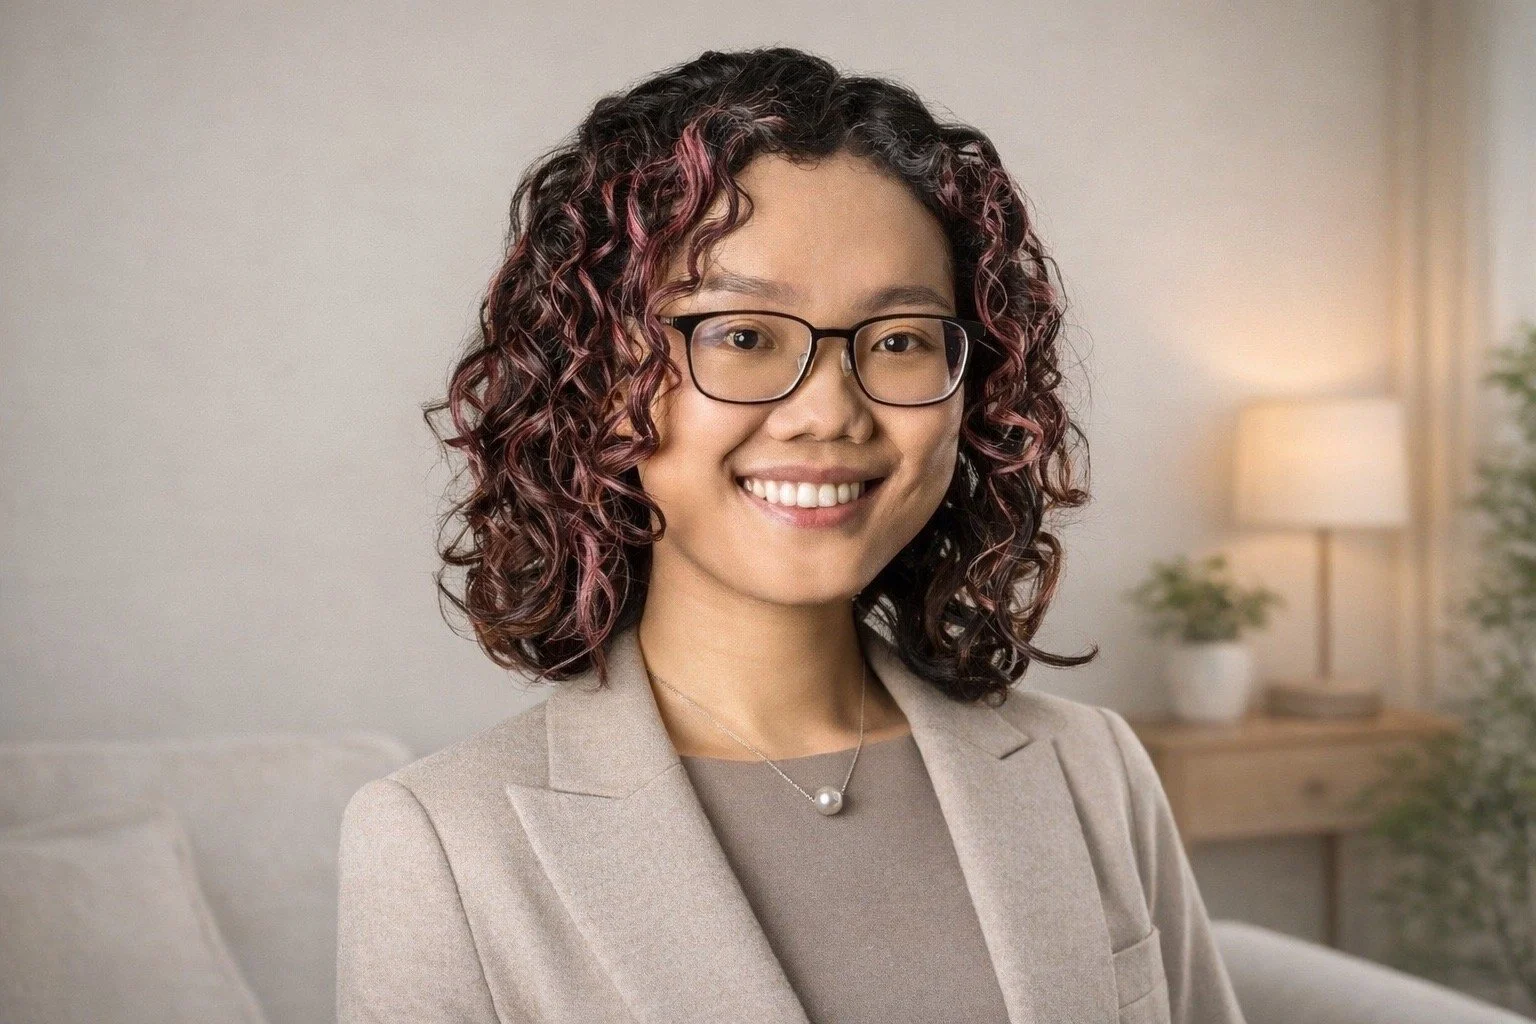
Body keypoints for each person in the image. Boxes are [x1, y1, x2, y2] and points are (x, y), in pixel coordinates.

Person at [336, 45, 1247, 1024]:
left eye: (897, 341)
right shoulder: (440, 841)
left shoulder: (1090, 768)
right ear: (600, 385)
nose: (829, 412)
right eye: (741, 334)